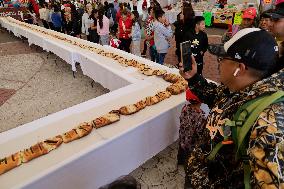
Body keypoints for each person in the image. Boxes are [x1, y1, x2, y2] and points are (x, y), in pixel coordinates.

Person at [179, 28, 284, 188]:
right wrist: (194, 78)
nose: (218, 63)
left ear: (239, 69)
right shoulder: (243, 86)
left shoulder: (269, 125)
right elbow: (219, 98)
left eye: (222, 58)